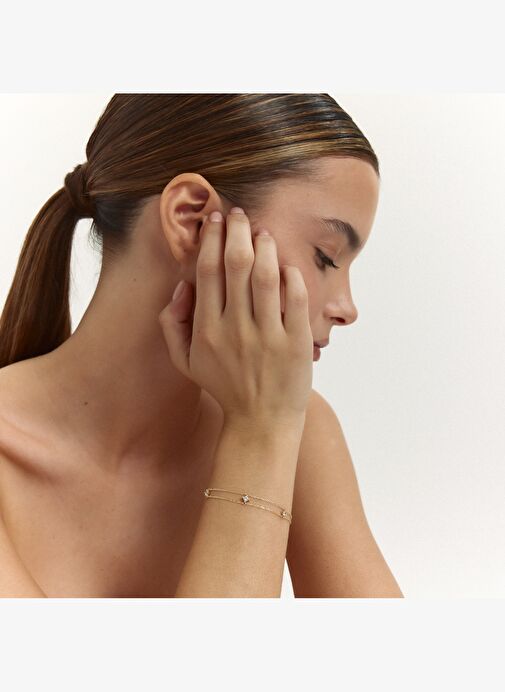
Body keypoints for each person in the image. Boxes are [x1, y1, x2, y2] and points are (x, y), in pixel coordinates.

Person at [0, 94, 403, 597]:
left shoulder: (298, 426)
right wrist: (259, 433)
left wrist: (266, 427)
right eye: (326, 256)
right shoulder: (275, 421)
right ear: (192, 220)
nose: (347, 307)